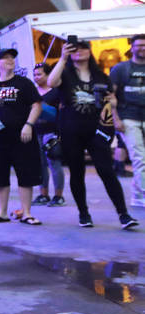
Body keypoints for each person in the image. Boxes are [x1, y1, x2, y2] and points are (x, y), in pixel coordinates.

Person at [48, 40, 136, 229]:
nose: (79, 51)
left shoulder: (101, 76)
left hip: (97, 130)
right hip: (71, 131)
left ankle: (123, 214)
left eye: (83, 48)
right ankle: (84, 213)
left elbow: (111, 100)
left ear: (90, 52)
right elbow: (51, 82)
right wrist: (62, 58)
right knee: (77, 173)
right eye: (74, 48)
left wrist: (113, 106)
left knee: (107, 171)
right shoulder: (65, 74)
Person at [0, 48, 43, 225]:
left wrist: (29, 124)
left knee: (26, 173)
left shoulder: (24, 83)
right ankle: (2, 212)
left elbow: (36, 105)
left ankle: (26, 213)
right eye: (5, 58)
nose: (10, 60)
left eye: (12, 57)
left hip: (22, 135)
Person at [109, 34, 145, 208]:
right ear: (132, 47)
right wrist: (115, 119)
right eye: (139, 45)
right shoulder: (120, 69)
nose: (142, 48)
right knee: (139, 158)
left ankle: (138, 196)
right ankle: (143, 194)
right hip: (128, 118)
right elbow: (110, 96)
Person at [31, 63, 64, 206]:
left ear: (48, 75)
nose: (36, 77)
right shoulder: (32, 93)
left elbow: (62, 111)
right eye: (34, 75)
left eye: (39, 74)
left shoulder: (56, 92)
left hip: (52, 132)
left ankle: (58, 196)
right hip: (36, 131)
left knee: (54, 163)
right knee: (40, 164)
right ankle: (43, 194)